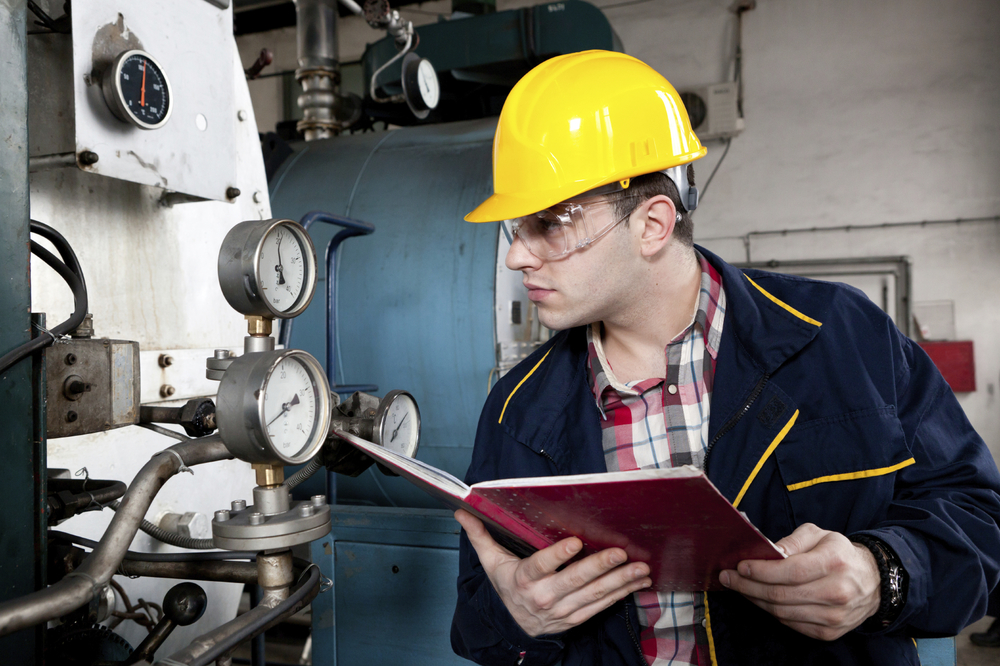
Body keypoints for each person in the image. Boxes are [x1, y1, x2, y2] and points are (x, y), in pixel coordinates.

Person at [449, 50, 1000, 666]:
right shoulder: (516, 410)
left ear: (653, 224)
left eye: (547, 224)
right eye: (513, 228)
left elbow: (979, 518)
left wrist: (885, 575)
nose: (516, 258)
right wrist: (519, 618)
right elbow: (477, 621)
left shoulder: (843, 337)